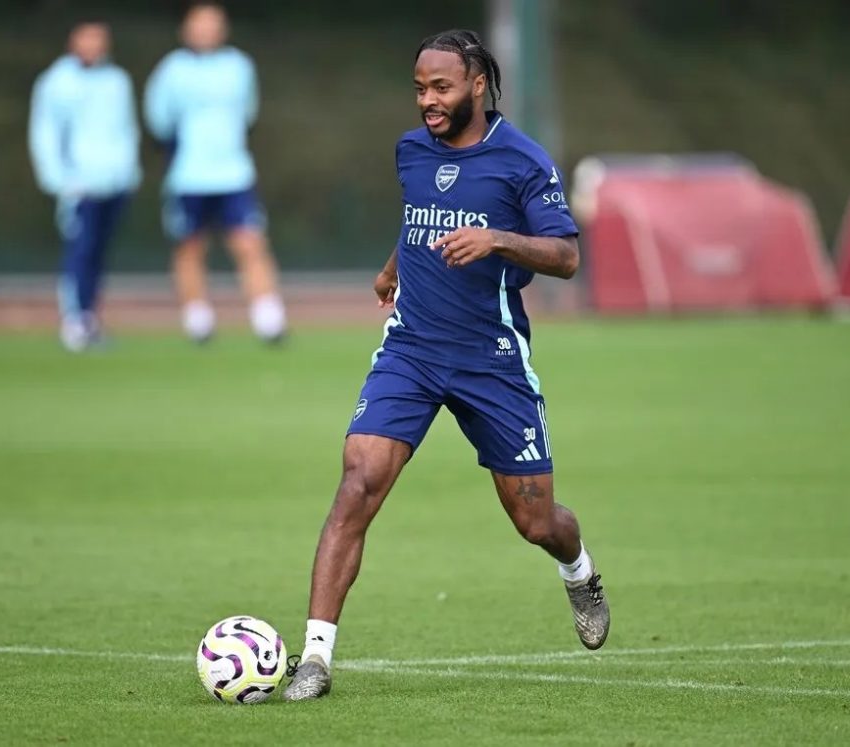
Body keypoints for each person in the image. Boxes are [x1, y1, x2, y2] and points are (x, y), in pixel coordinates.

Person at [282, 29, 609, 702]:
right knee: (357, 482)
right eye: (420, 89)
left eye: (441, 88)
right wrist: (392, 268)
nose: (428, 102)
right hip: (411, 349)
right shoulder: (412, 150)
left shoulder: (522, 161)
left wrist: (498, 238)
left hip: (490, 359)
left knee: (536, 521)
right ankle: (313, 657)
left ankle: (578, 570)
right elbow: (419, 218)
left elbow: (567, 257)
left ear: (478, 86)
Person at [144, 2, 286, 344]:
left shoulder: (239, 66)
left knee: (250, 243)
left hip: (233, 173)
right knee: (190, 246)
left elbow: (248, 114)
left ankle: (269, 320)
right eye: (199, 24)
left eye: (213, 24)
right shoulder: (172, 70)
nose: (206, 30)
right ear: (186, 29)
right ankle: (198, 321)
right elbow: (159, 121)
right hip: (188, 176)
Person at [29, 20, 140, 352]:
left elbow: (126, 129)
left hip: (115, 182)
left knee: (99, 254)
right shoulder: (57, 82)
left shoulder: (117, 81)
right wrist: (58, 179)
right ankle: (73, 320)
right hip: (79, 186)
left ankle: (90, 316)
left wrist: (129, 172)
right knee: (80, 250)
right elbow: (46, 133)